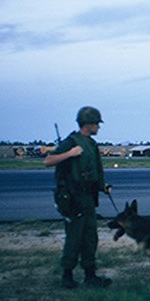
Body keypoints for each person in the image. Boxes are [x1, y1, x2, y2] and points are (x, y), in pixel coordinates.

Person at [44, 106, 112, 289]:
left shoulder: (90, 144)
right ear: (88, 124)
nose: (99, 127)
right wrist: (69, 154)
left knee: (90, 237)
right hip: (73, 198)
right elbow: (48, 161)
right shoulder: (71, 142)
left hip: (88, 197)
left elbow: (96, 169)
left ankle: (90, 275)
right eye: (97, 123)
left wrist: (102, 186)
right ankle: (67, 274)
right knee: (74, 237)